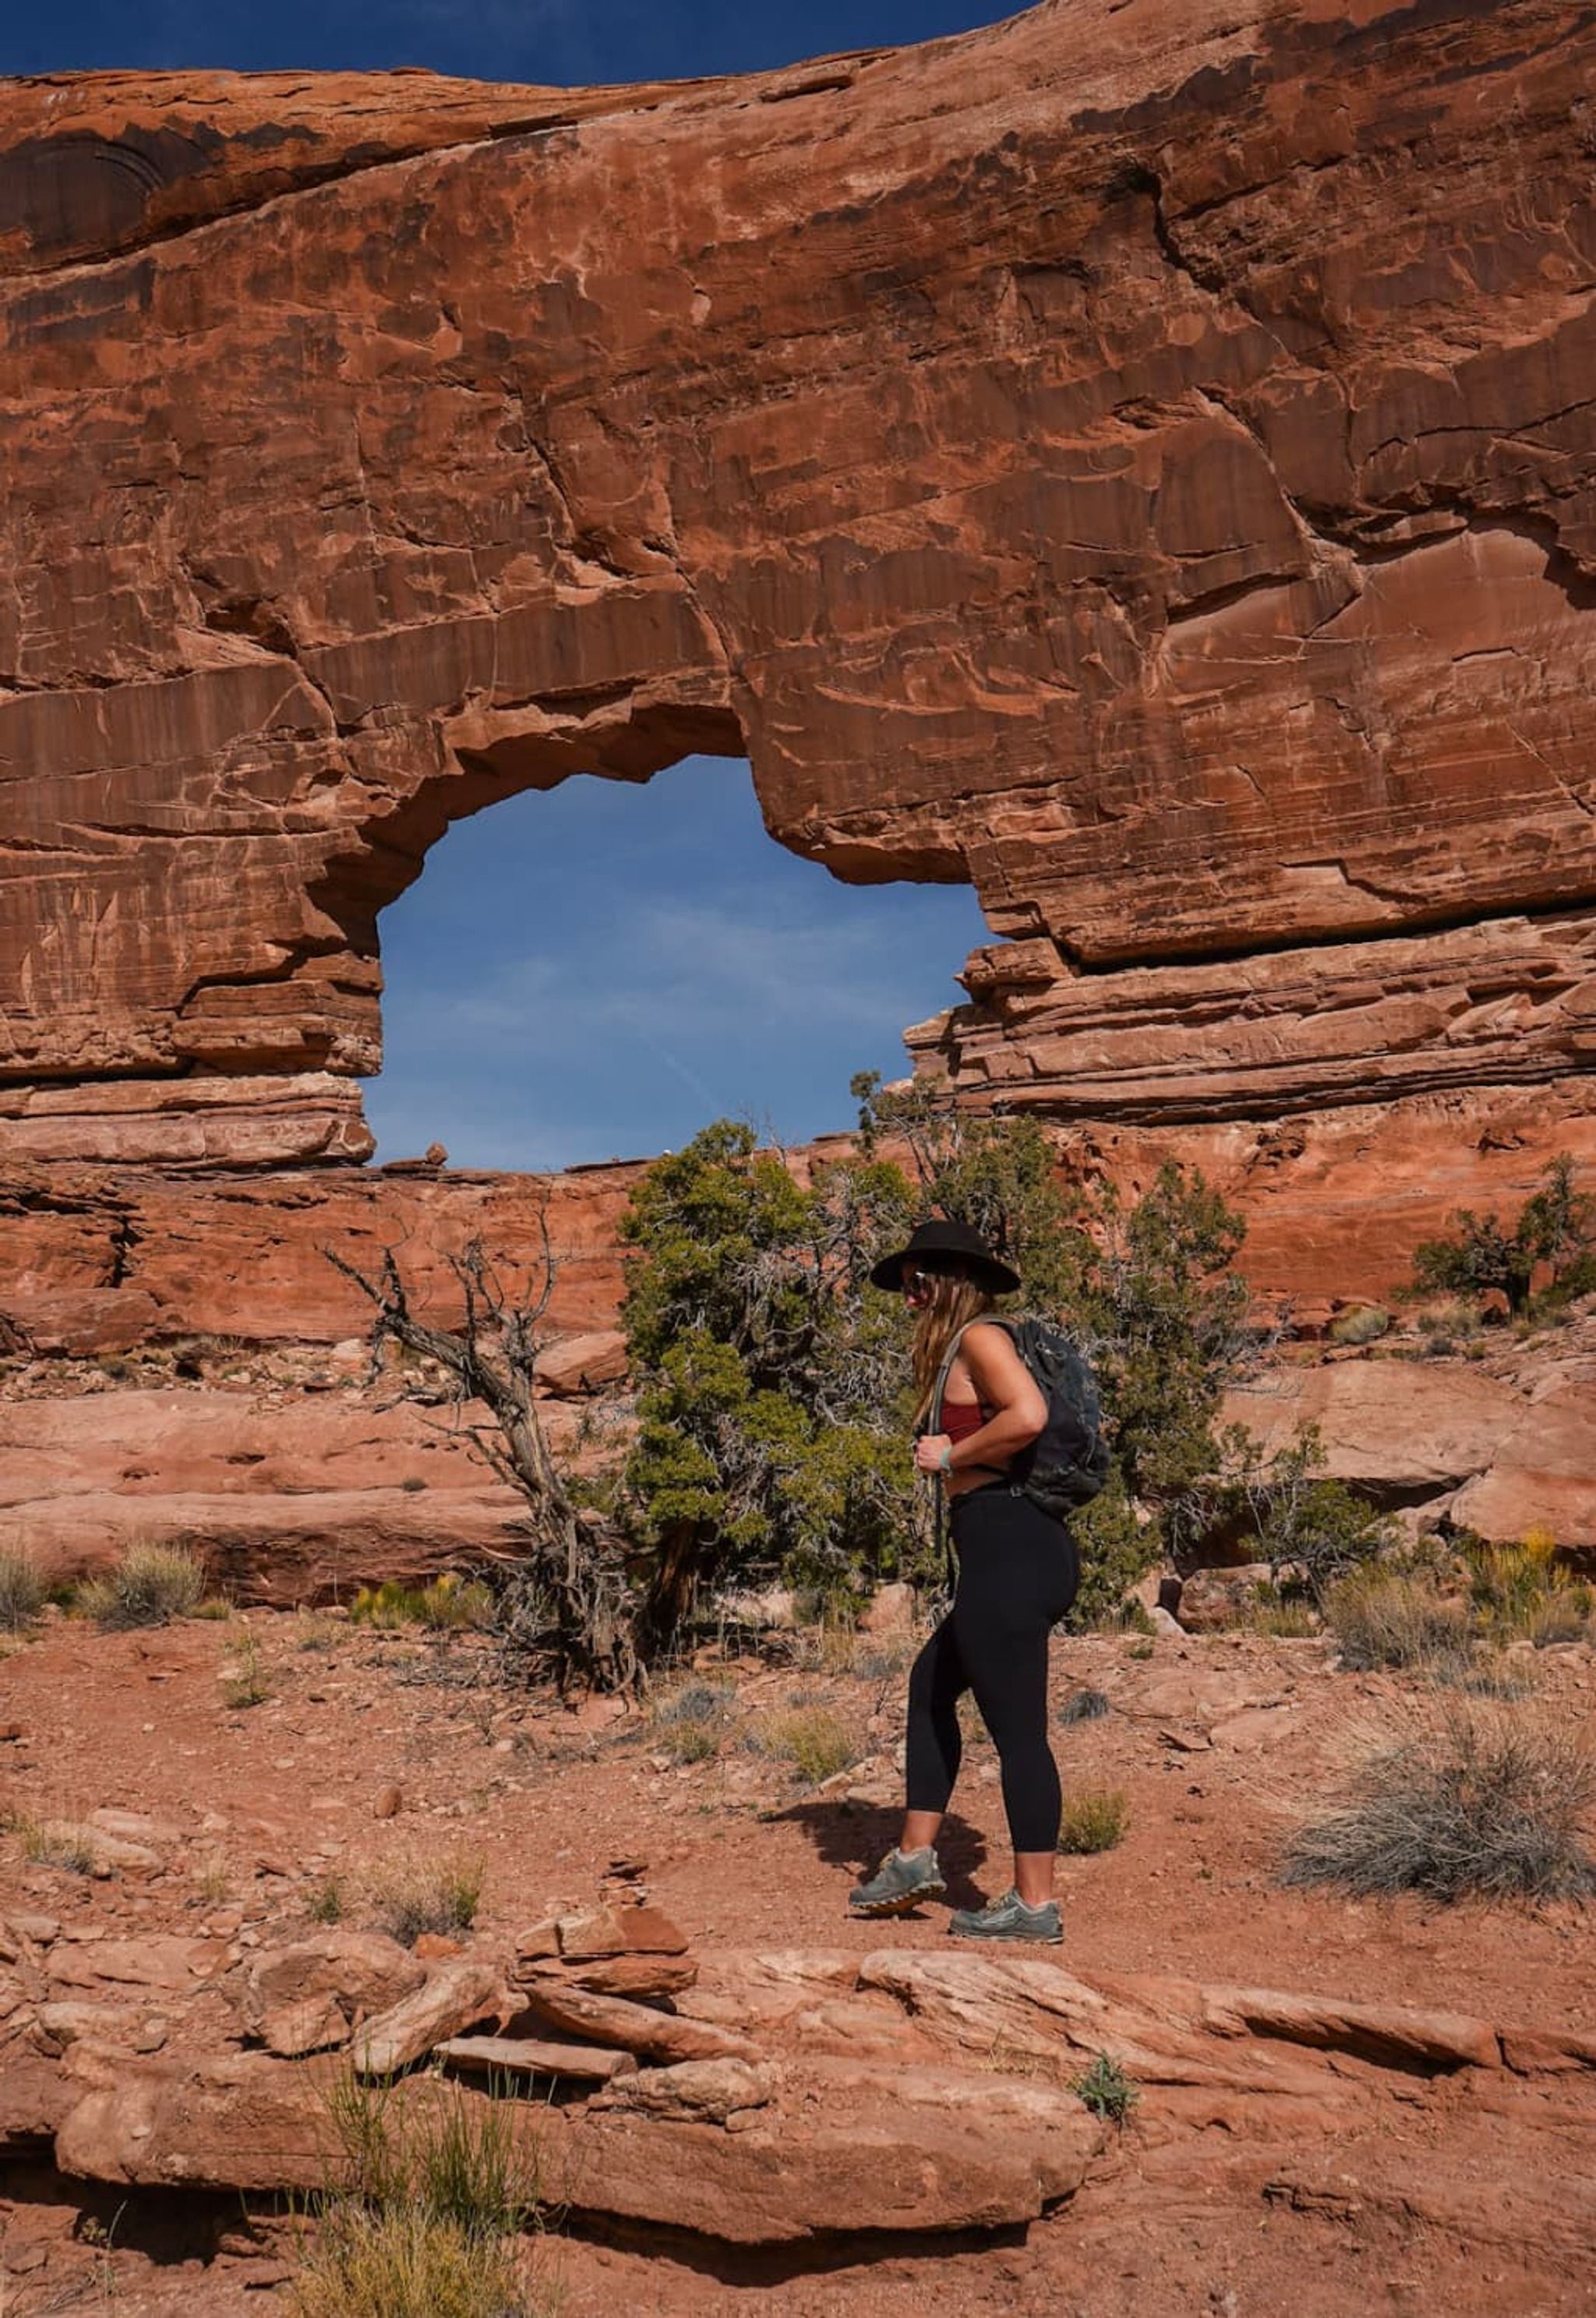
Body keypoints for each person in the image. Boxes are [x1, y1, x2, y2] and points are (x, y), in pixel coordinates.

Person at [849, 1218, 1079, 1942]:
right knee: (930, 1686)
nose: (908, 1297)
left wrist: (951, 1456)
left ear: (947, 1281)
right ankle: (916, 1857)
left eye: (917, 1282)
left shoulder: (980, 1337)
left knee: (1019, 1734)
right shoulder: (958, 1347)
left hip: (1010, 1545)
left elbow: (1029, 1415)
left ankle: (1034, 1906)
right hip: (1003, 1550)